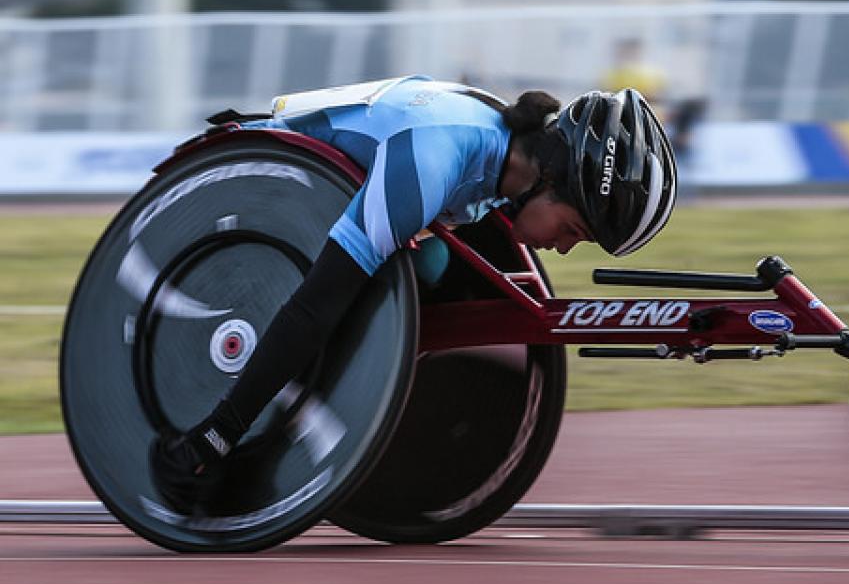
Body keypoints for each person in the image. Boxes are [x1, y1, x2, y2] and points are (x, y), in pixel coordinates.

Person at [150, 76, 678, 514]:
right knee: (368, 291)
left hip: (348, 190)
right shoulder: (435, 161)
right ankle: (253, 442)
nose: (562, 250)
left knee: (433, 264)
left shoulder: (502, 153)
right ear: (553, 180)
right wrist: (219, 433)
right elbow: (312, 310)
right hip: (261, 187)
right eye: (574, 231)